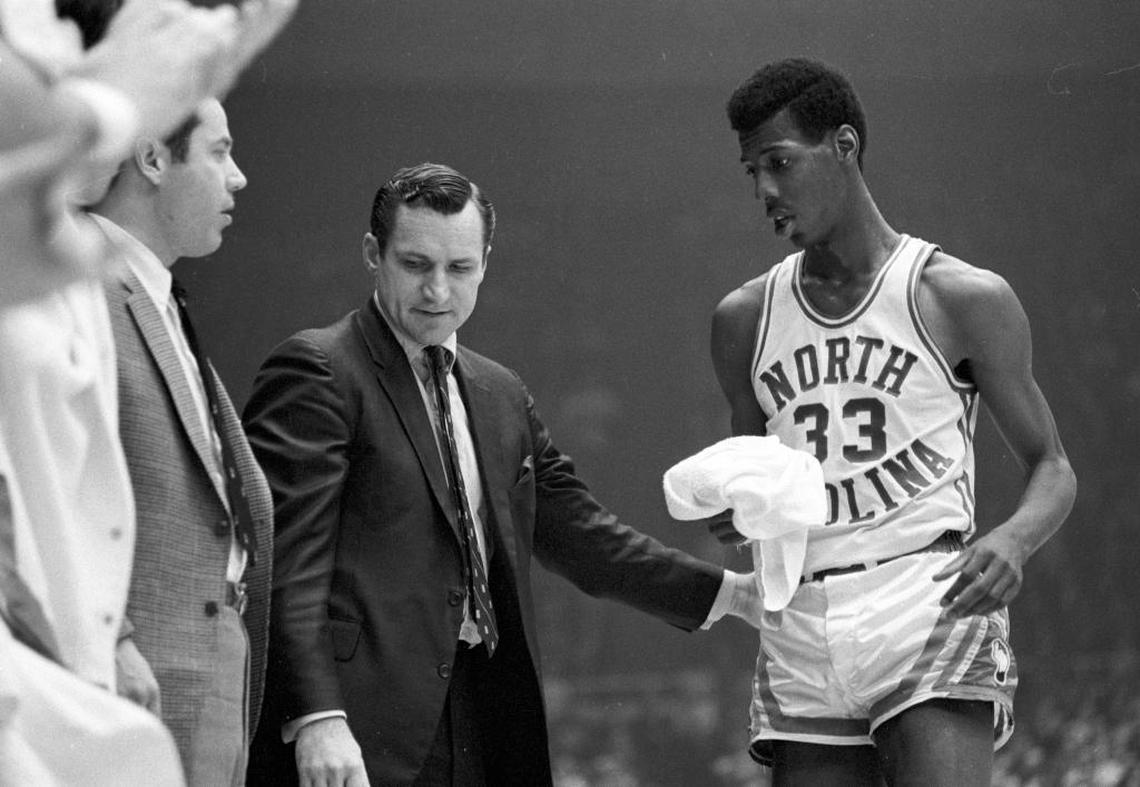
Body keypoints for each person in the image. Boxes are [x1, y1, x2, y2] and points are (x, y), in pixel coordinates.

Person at [242, 162, 763, 786]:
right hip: (360, 721)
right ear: (372, 256)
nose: (438, 291)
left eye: (459, 269)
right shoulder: (319, 369)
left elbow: (582, 535)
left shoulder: (500, 394)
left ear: (485, 263)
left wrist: (733, 594)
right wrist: (317, 715)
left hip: (486, 711)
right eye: (415, 265)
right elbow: (284, 561)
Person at [707, 58, 1077, 784]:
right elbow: (753, 486)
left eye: (779, 162)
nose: (764, 190)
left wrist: (1013, 539)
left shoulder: (960, 296)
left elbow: (1053, 466)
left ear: (843, 146)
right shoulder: (742, 319)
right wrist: (740, 508)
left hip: (927, 595)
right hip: (803, 615)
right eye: (751, 171)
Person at [0, 0, 294, 782]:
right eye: (220, 151)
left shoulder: (122, 282)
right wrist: (106, 108)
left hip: (136, 674)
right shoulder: (82, 274)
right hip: (75, 676)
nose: (238, 176)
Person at [88, 96, 275, 785]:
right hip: (134, 671)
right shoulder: (81, 289)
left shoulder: (156, 294)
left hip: (211, 660)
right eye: (221, 151)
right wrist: (114, 638)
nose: (239, 177)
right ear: (153, 158)